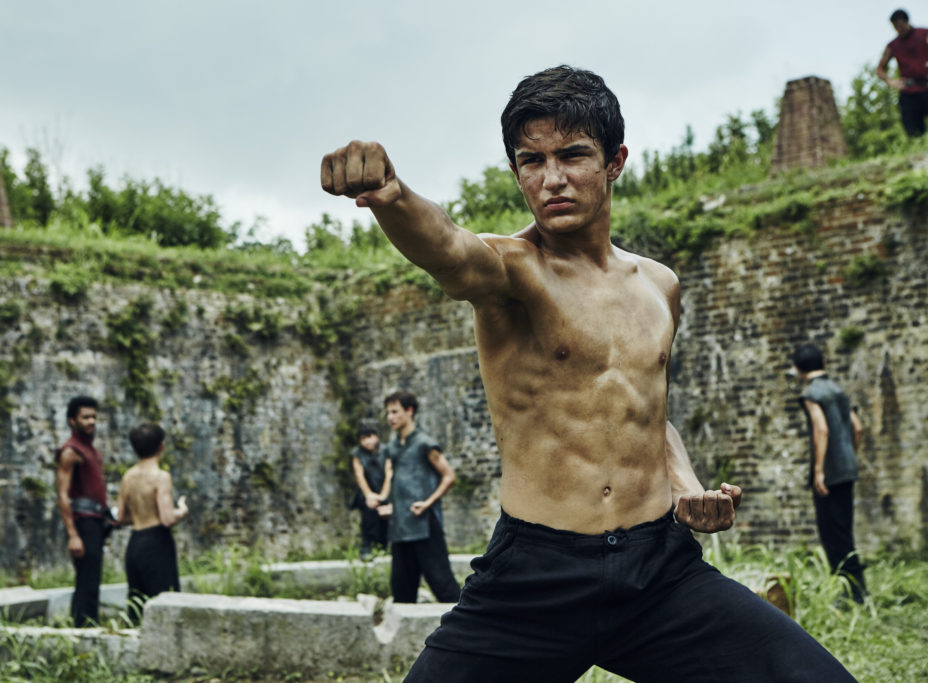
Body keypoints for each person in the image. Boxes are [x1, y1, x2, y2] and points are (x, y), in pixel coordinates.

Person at [321, 65, 855, 681]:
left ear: (614, 161)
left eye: (573, 155)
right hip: (535, 580)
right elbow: (446, 245)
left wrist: (684, 482)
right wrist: (391, 192)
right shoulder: (510, 270)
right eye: (531, 161)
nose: (552, 179)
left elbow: (646, 408)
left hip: (658, 574)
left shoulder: (660, 286)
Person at [792, 344, 867, 604]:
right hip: (847, 470)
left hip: (830, 474)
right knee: (844, 530)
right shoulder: (838, 390)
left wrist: (819, 471)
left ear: (798, 369)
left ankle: (852, 595)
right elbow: (857, 428)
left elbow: (821, 430)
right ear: (823, 362)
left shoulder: (812, 393)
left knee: (832, 535)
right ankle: (859, 590)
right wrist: (849, 456)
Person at [377, 391, 461, 604]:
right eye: (388, 413)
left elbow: (449, 476)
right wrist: (390, 506)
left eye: (395, 412)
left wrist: (428, 503)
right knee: (402, 591)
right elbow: (397, 482)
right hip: (400, 527)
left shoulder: (425, 443)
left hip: (425, 525)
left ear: (409, 411)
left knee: (443, 585)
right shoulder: (392, 448)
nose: (390, 417)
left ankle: (470, 632)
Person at [116, 421, 189, 623]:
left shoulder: (128, 477)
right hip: (156, 543)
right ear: (161, 446)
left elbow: (121, 517)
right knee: (164, 603)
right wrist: (181, 511)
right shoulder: (161, 477)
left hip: (135, 543)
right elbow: (166, 519)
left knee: (137, 604)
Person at [55, 395, 109, 627]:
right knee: (86, 579)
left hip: (96, 521)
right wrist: (72, 534)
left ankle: (88, 625)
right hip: (82, 523)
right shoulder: (70, 451)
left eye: (94, 417)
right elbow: (63, 494)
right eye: (85, 417)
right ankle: (83, 629)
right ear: (72, 420)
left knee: (93, 578)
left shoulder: (91, 451)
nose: (91, 421)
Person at [876, 8, 928, 137]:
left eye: (899, 25)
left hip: (926, 86)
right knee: (913, 132)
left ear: (906, 21)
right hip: (908, 92)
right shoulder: (893, 45)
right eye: (895, 27)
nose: (898, 29)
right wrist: (890, 81)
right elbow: (880, 69)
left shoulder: (923, 34)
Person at [350, 421, 390, 561]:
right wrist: (369, 495)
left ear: (376, 436)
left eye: (370, 437)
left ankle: (384, 547)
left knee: (386, 517)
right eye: (363, 438)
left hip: (384, 490)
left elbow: (389, 473)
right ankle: (366, 547)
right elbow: (359, 476)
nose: (367, 441)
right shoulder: (357, 454)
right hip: (366, 493)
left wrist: (383, 495)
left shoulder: (386, 451)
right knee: (368, 516)